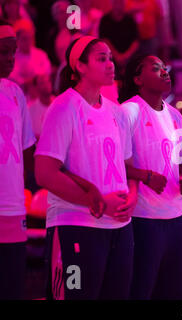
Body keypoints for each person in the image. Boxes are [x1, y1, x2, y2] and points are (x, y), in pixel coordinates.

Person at [35, 36, 137, 300]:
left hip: (119, 228)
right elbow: (45, 172)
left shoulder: (117, 112)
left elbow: (128, 168)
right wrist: (99, 202)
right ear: (79, 66)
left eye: (111, 58)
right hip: (75, 226)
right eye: (101, 59)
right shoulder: (63, 107)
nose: (110, 64)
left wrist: (132, 196)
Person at [119, 54, 182, 299]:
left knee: (176, 292)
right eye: (155, 68)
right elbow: (114, 164)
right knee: (142, 290)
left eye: (165, 67)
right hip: (144, 219)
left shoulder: (176, 116)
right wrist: (145, 175)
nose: (165, 72)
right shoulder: (129, 111)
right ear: (137, 78)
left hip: (176, 219)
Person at [0, 20, 36, 300]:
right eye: (3, 51)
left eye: (12, 51)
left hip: (13, 206)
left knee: (13, 286)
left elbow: (25, 149)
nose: (10, 58)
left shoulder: (15, 93)